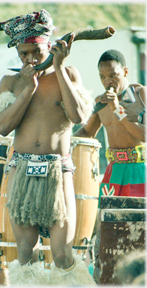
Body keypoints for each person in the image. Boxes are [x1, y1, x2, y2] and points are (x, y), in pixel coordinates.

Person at [0, 9, 95, 286]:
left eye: (35, 51)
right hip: (22, 169)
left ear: (48, 44)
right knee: (25, 253)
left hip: (58, 171)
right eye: (23, 54)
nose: (30, 58)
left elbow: (79, 117)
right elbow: (2, 127)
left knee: (61, 253)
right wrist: (29, 90)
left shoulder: (68, 73)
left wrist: (58, 68)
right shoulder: (11, 81)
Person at [74, 49, 146, 283]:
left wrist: (119, 109)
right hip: (113, 172)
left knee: (140, 227)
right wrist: (63, 142)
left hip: (139, 169)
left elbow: (144, 135)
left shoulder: (140, 95)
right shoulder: (100, 103)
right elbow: (87, 132)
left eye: (113, 75)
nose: (108, 81)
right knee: (110, 227)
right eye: (103, 77)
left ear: (125, 71)